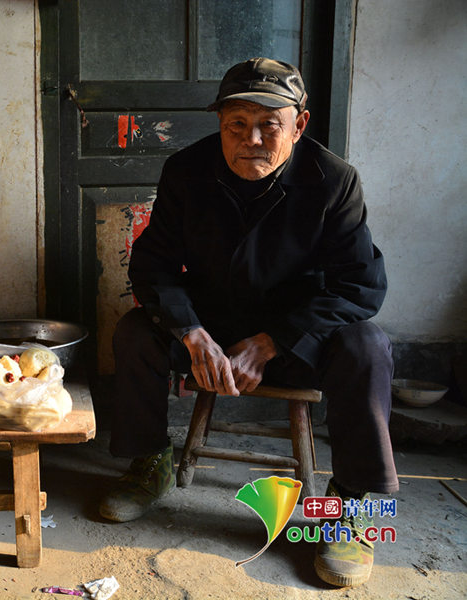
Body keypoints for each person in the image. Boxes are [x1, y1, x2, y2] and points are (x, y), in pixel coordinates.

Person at [100, 57, 397, 588]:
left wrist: (272, 342)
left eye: (269, 126)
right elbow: (152, 266)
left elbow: (361, 287)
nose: (251, 139)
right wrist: (192, 333)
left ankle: (351, 508)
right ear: (220, 124)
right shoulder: (187, 170)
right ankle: (150, 462)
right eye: (237, 124)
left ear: (299, 125)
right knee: (135, 332)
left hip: (297, 330)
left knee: (367, 346)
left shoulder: (332, 181)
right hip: (211, 317)